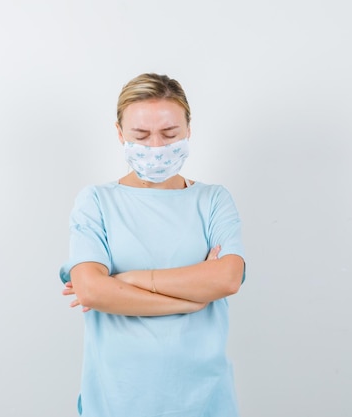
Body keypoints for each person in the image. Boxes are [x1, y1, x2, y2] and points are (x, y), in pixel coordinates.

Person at [59, 73, 246, 417]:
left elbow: (227, 279)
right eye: (141, 135)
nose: (157, 147)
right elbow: (91, 291)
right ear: (119, 134)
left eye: (170, 134)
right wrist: (191, 300)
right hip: (118, 399)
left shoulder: (213, 200)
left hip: (204, 398)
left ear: (188, 129)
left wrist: (128, 280)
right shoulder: (97, 202)